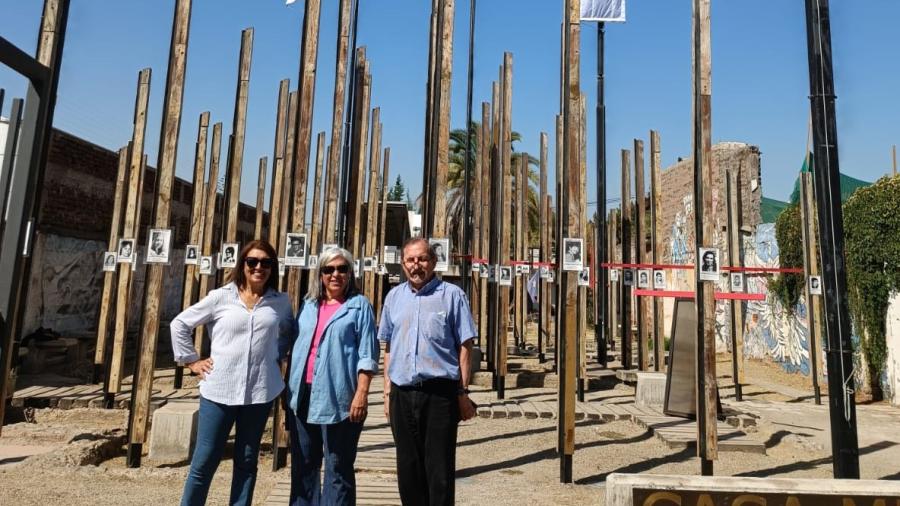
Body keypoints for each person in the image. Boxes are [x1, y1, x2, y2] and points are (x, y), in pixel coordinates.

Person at [170, 240, 293, 506]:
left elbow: (288, 333)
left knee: (247, 462)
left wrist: (276, 355)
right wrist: (192, 361)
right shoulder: (221, 297)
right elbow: (180, 324)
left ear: (273, 268)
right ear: (243, 265)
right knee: (205, 460)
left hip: (259, 393)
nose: (259, 267)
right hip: (219, 392)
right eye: (253, 262)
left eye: (266, 262)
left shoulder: (281, 302)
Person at [379, 237, 477, 505]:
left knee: (439, 472)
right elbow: (389, 347)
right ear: (403, 264)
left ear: (433, 262)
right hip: (402, 393)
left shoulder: (452, 296)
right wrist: (387, 393)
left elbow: (465, 347)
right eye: (410, 260)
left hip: (439, 396)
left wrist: (462, 392)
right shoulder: (394, 298)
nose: (416, 265)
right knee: (408, 470)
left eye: (422, 259)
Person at [286, 247, 378, 505]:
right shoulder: (308, 304)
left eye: (342, 268)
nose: (335, 274)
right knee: (303, 464)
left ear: (350, 273)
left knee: (338, 468)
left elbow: (367, 355)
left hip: (340, 399)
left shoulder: (359, 306)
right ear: (320, 274)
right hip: (302, 396)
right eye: (328, 269)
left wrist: (361, 394)